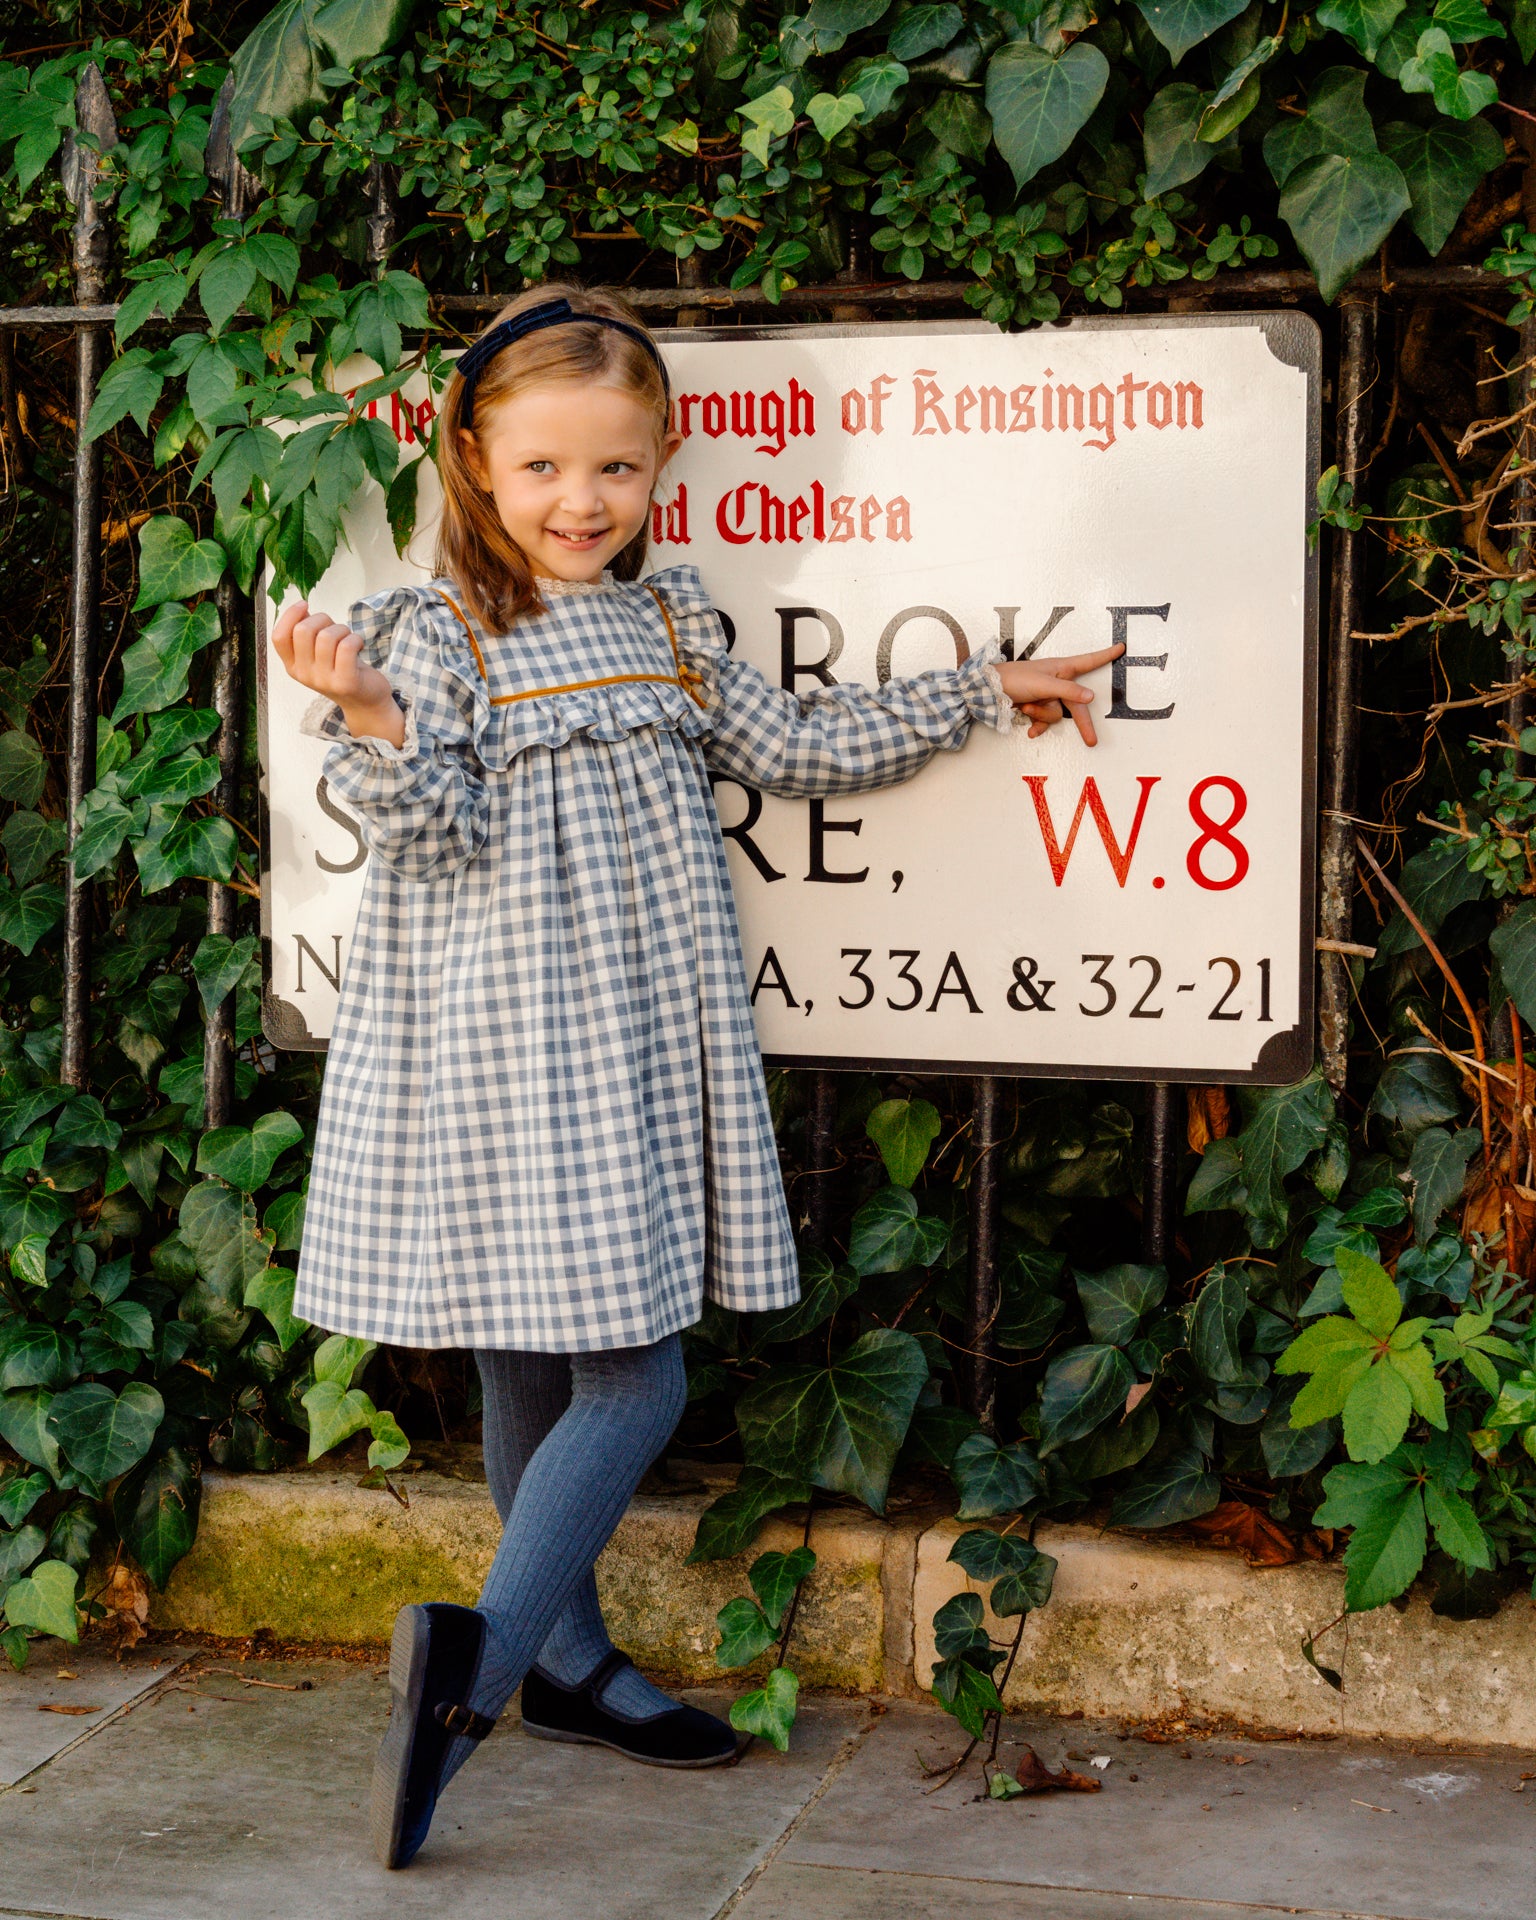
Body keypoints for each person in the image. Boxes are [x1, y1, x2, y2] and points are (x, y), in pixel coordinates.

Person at [270, 284, 1123, 1871]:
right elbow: (434, 839)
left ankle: (570, 1666)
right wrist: (377, 718)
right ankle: (477, 1668)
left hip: (634, 1042)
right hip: (510, 1058)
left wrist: (977, 687)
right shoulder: (432, 634)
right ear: (470, 460)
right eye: (540, 470)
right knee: (634, 1375)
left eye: (616, 470)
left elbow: (797, 746)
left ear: (661, 465)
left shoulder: (671, 624)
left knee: (542, 1364)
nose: (580, 503)